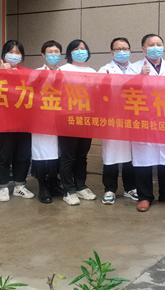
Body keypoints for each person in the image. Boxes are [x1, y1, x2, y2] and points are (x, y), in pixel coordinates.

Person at [130, 34, 165, 212]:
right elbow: (125, 89)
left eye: (159, 44)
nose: (155, 47)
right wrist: (140, 76)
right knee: (143, 157)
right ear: (143, 48)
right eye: (151, 45)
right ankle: (145, 196)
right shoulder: (134, 67)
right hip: (143, 119)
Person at [0, 40, 35, 202]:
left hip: (23, 122)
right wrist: (3, 73)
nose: (14, 55)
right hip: (1, 122)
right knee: (2, 155)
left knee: (22, 155)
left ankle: (19, 186)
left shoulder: (28, 73)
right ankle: (2, 187)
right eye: (11, 52)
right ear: (3, 55)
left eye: (18, 52)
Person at [97, 37, 138, 205]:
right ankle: (110, 189)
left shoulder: (137, 69)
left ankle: (130, 188)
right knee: (111, 154)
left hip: (133, 118)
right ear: (111, 52)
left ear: (130, 51)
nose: (122, 52)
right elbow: (97, 92)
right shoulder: (104, 70)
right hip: (112, 118)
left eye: (125, 48)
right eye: (118, 49)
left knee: (131, 155)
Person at [58, 39, 97, 206]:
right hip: (68, 117)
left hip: (87, 118)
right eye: (76, 49)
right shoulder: (62, 70)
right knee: (68, 156)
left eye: (83, 48)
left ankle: (81, 186)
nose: (80, 51)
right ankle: (69, 190)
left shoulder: (93, 71)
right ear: (70, 53)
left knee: (82, 155)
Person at [31, 40, 64, 203]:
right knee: (41, 153)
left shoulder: (65, 73)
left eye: (56, 52)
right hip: (41, 119)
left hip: (60, 119)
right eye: (50, 52)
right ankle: (42, 187)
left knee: (57, 153)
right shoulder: (36, 73)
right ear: (43, 55)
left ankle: (53, 183)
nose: (53, 55)